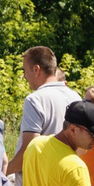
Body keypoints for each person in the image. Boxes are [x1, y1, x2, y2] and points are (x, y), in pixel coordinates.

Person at [8, 46, 78, 178]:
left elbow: (30, 151)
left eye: (25, 70)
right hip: (65, 179)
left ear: (36, 69)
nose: (24, 76)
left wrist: (3, 172)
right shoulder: (75, 97)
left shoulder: (35, 100)